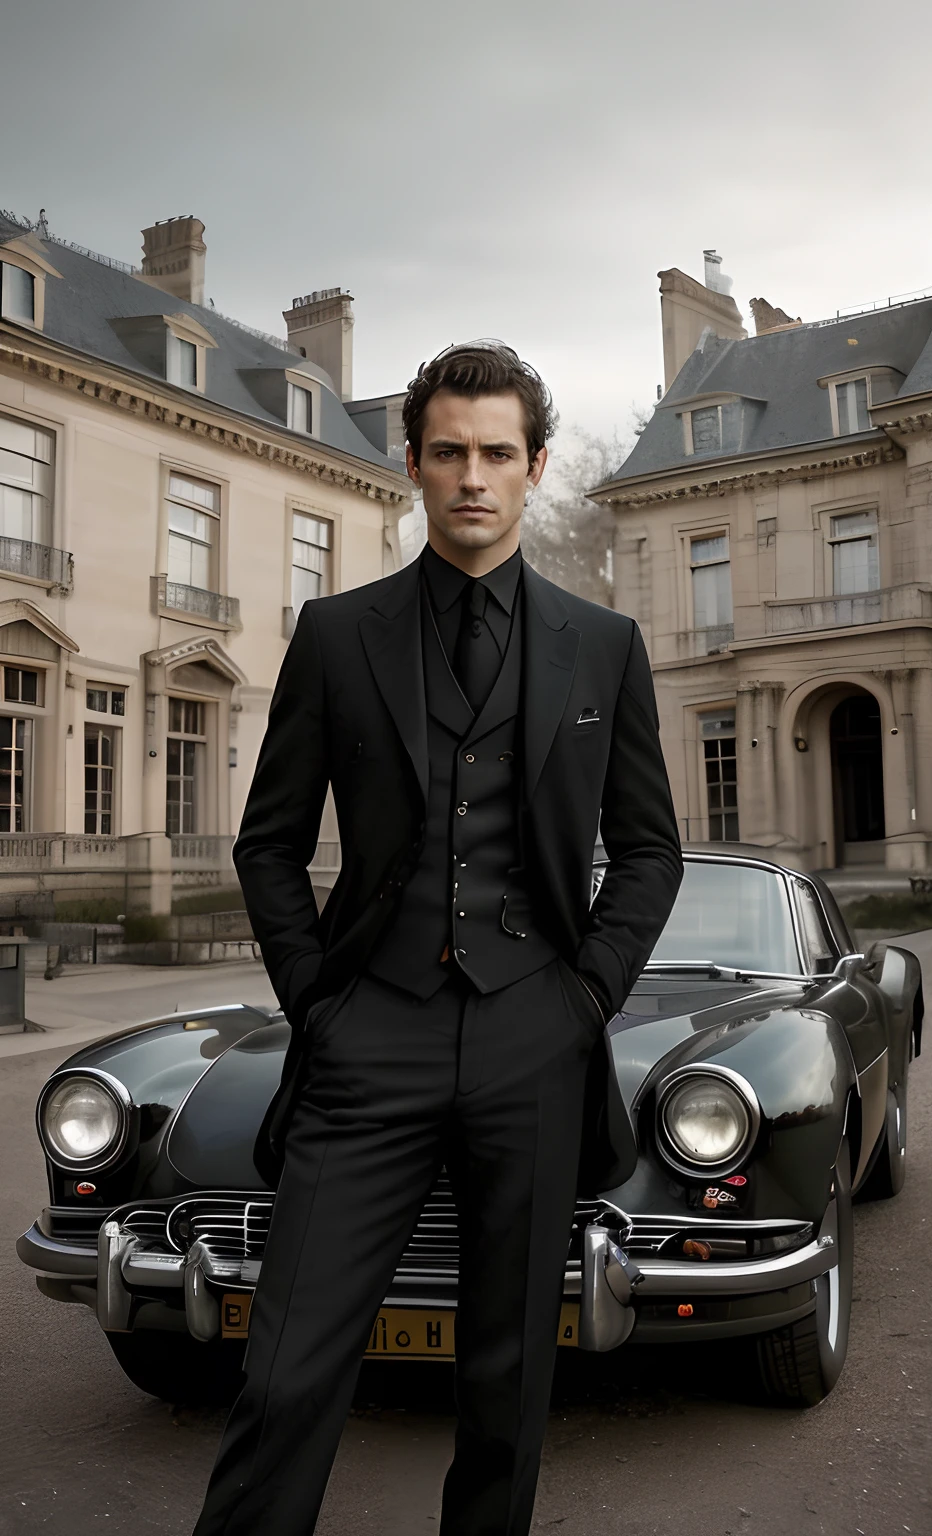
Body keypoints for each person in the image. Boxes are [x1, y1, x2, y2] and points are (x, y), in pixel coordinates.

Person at [191, 341, 682, 1536]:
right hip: (369, 1039)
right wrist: (317, 997)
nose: (473, 476)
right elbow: (267, 843)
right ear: (413, 465)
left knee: (509, 1383)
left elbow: (650, 847)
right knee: (288, 1367)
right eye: (449, 452)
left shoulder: (601, 648)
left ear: (535, 469)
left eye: (497, 454)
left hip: (534, 1039)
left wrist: (584, 998)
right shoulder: (335, 633)